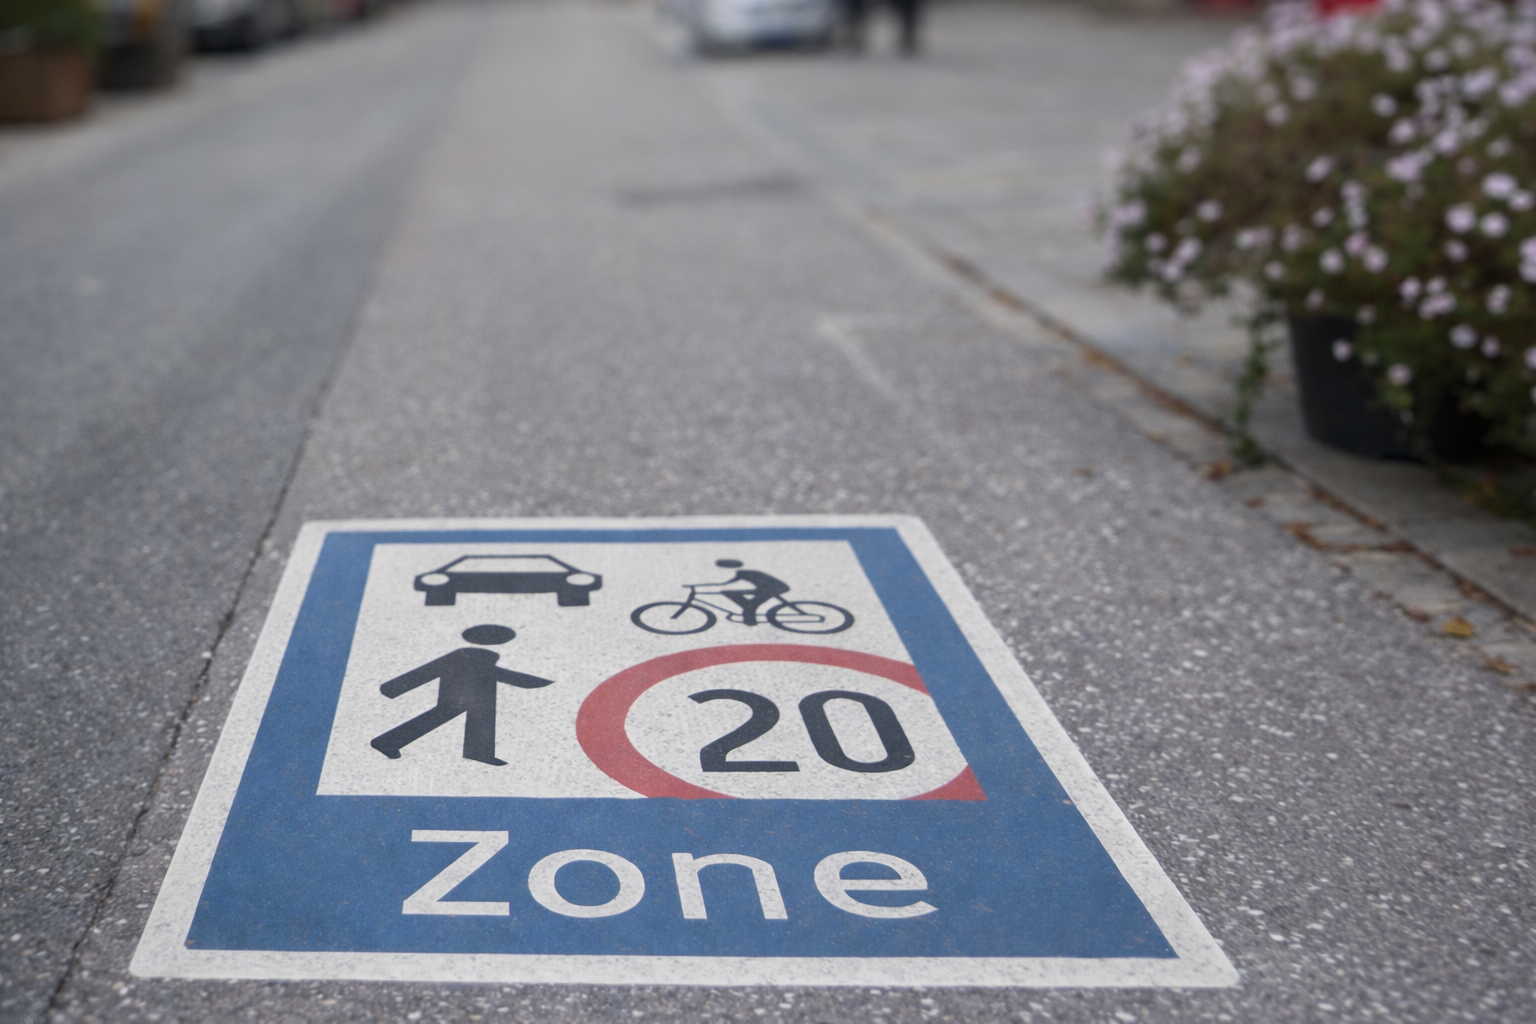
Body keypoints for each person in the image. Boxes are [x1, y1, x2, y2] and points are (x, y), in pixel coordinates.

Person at [370, 624, 553, 766]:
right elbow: (429, 670)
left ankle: (480, 753)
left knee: (480, 718)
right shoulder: (465, 655)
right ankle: (387, 742)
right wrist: (393, 688)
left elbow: (496, 673)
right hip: (460, 691)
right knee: (444, 714)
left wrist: (393, 688)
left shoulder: (477, 656)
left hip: (480, 691)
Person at [693, 559, 790, 626]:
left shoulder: (743, 573)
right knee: (730, 593)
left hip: (775, 588)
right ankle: (748, 613)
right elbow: (727, 583)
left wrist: (704, 586)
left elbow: (728, 582)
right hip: (766, 588)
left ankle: (750, 620)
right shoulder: (743, 573)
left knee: (751, 605)